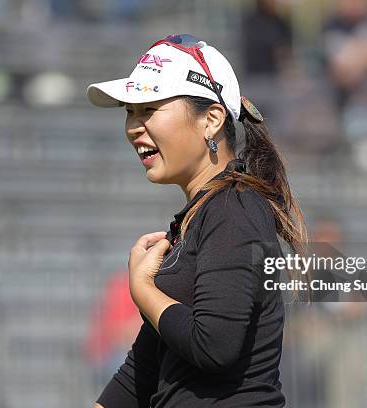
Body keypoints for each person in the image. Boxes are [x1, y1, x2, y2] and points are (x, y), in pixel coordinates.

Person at [86, 34, 308, 407]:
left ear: (211, 119)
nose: (134, 127)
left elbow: (214, 345)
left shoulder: (234, 209)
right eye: (130, 111)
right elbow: (141, 372)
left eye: (149, 108)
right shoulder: (202, 215)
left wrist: (143, 290)